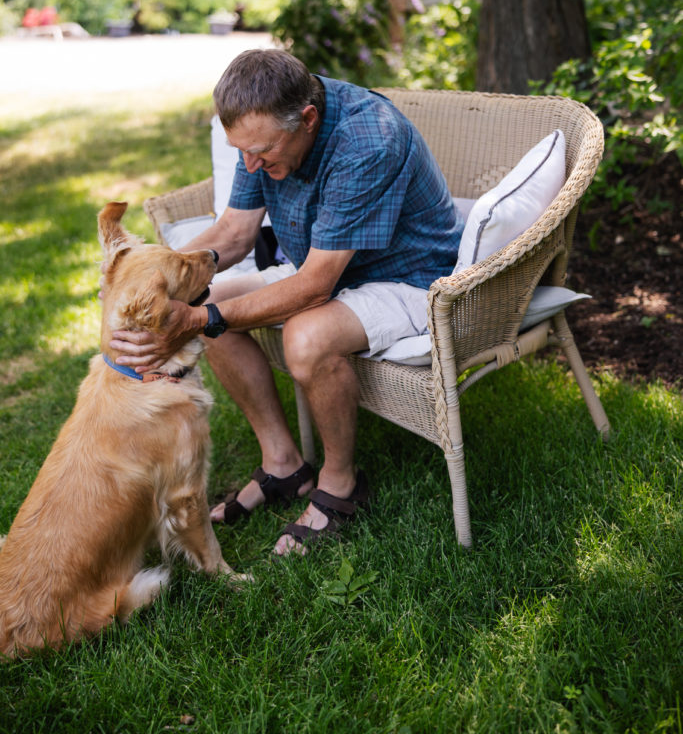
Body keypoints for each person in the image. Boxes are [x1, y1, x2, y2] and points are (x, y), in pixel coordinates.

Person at [110, 49, 464, 555]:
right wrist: (155, 282)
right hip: (332, 268)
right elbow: (234, 232)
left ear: (308, 120)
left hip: (410, 279)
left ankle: (341, 486)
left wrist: (197, 317)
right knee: (214, 302)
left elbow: (317, 285)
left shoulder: (367, 140)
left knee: (305, 338)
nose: (250, 164)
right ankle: (284, 466)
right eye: (241, 151)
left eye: (261, 153)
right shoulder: (265, 129)